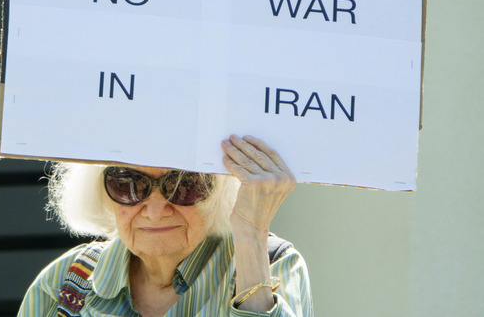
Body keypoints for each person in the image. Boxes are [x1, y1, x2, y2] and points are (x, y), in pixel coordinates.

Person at [18, 134, 313, 316]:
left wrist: (252, 234)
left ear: (217, 191)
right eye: (128, 184)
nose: (156, 211)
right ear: (103, 192)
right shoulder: (63, 284)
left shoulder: (273, 266)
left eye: (183, 184)